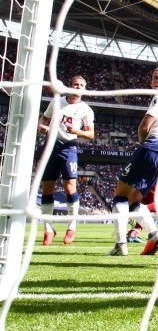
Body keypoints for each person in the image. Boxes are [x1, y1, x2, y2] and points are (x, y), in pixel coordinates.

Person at [109, 67, 158, 257]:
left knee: (120, 194)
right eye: (155, 77)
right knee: (135, 199)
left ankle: (120, 244)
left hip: (152, 147)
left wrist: (143, 143)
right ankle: (153, 233)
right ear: (151, 82)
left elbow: (145, 126)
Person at [37, 75, 95, 246]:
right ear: (70, 86)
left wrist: (77, 131)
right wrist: (43, 127)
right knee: (47, 187)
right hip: (51, 147)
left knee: (70, 187)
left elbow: (91, 134)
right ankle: (48, 229)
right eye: (75, 84)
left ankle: (72, 227)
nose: (78, 87)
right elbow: (43, 119)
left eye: (81, 85)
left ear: (84, 90)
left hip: (69, 148)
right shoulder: (56, 102)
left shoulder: (86, 110)